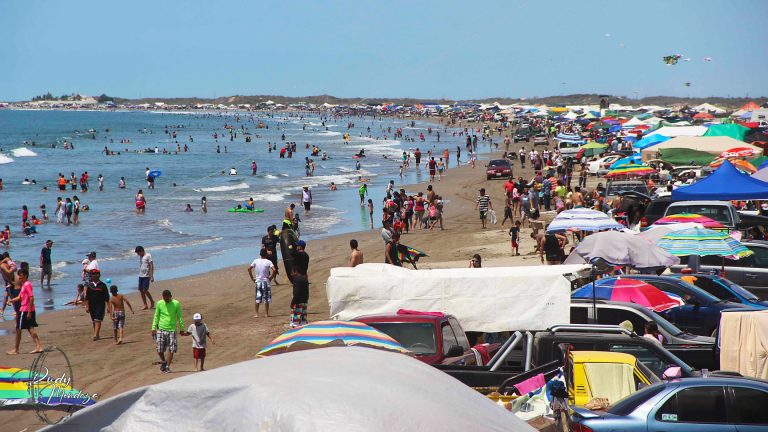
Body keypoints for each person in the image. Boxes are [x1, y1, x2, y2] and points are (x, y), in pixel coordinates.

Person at [6, 267, 43, 355]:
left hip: (25, 310)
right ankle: (38, 346)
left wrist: (29, 311)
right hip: (25, 309)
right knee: (29, 328)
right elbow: (19, 297)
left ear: (26, 276)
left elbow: (31, 297)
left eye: (21, 275)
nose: (19, 277)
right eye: (18, 275)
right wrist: (10, 300)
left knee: (20, 328)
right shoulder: (24, 285)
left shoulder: (27, 284)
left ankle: (16, 349)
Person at [152, 290, 186, 373]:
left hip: (172, 329)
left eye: (168, 298)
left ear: (171, 296)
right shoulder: (159, 303)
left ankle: (167, 366)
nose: (166, 299)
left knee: (171, 349)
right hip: (161, 328)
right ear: (163, 297)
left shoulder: (176, 303)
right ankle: (164, 361)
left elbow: (180, 316)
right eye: (165, 298)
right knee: (159, 349)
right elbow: (156, 316)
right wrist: (153, 328)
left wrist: (182, 329)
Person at [248, 248, 275, 318]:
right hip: (266, 281)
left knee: (258, 297)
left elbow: (249, 269)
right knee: (266, 298)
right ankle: (266, 313)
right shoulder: (268, 261)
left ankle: (256, 314)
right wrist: (271, 277)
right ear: (266, 254)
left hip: (258, 281)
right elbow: (274, 270)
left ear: (260, 254)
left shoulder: (256, 261)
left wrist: (252, 278)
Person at [85, 269, 109, 340]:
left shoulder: (103, 285)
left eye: (97, 274)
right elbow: (86, 298)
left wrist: (108, 307)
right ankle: (97, 334)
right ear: (91, 276)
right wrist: (87, 306)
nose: (95, 275)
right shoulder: (90, 285)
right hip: (92, 305)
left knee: (97, 319)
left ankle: (95, 335)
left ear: (99, 275)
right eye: (94, 274)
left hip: (100, 305)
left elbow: (107, 297)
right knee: (94, 320)